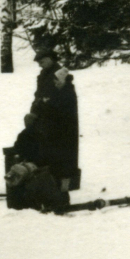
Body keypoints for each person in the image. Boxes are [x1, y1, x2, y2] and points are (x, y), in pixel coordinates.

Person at [30, 35, 79, 191]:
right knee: (48, 151)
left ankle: (61, 185)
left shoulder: (61, 74)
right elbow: (39, 95)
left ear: (51, 59)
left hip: (60, 121)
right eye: (39, 63)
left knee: (61, 154)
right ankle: (50, 182)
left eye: (42, 62)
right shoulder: (44, 75)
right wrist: (34, 110)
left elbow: (66, 98)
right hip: (46, 119)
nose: (40, 65)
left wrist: (48, 101)